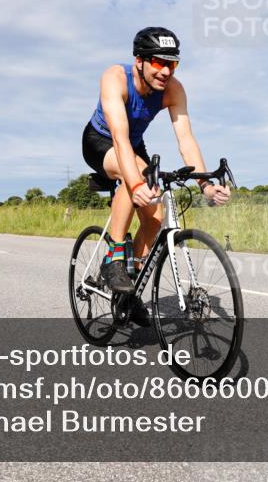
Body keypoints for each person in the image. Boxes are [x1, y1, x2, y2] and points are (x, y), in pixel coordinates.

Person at [81, 27, 231, 325]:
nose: (166, 71)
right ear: (139, 61)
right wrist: (136, 182)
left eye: (172, 64)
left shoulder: (173, 89)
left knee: (155, 216)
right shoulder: (115, 77)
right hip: (100, 141)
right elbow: (119, 138)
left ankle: (130, 290)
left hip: (134, 146)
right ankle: (114, 258)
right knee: (136, 176)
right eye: (159, 62)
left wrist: (205, 185)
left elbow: (186, 140)